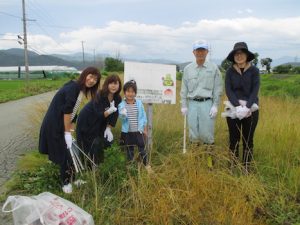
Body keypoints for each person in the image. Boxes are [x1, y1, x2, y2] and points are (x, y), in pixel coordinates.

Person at [39, 67, 101, 194]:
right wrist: (67, 132)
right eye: (90, 76)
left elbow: (73, 112)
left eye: (95, 79)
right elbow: (67, 111)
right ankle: (65, 183)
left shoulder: (80, 90)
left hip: (62, 125)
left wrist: (70, 130)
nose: (92, 80)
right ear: (84, 74)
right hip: (55, 125)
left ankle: (73, 180)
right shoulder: (74, 88)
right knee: (65, 155)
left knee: (71, 152)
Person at [224, 42, 260, 173]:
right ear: (233, 56)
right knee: (233, 139)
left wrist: (247, 107)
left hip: (251, 109)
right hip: (232, 108)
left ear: (246, 55)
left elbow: (255, 90)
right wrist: (238, 106)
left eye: (241, 53)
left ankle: (246, 166)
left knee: (248, 139)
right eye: (236, 54)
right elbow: (228, 90)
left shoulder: (254, 71)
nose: (239, 56)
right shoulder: (229, 71)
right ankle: (233, 166)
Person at [180, 40, 223, 146]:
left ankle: (209, 160)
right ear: (193, 52)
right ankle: (195, 159)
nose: (200, 53)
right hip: (192, 104)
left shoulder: (213, 68)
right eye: (198, 50)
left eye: (202, 50)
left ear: (207, 52)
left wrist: (215, 105)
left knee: (207, 132)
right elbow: (184, 89)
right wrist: (184, 105)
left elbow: (218, 88)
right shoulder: (187, 69)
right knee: (193, 132)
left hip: (207, 103)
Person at [76, 74, 122, 166]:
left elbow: (115, 114)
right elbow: (98, 114)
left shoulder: (117, 98)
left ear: (119, 85)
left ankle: (100, 164)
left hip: (100, 122)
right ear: (107, 84)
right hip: (88, 121)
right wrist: (109, 111)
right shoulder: (100, 95)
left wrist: (109, 128)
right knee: (90, 142)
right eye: (111, 83)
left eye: (116, 83)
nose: (114, 86)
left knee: (104, 141)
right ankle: (88, 166)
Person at [118, 80, 152, 172]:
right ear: (124, 92)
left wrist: (144, 129)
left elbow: (143, 117)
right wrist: (123, 115)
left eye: (133, 92)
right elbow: (121, 118)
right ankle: (131, 169)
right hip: (127, 132)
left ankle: (147, 166)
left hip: (138, 131)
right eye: (128, 91)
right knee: (130, 151)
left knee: (142, 149)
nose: (130, 94)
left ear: (135, 93)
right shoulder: (121, 105)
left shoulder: (139, 103)